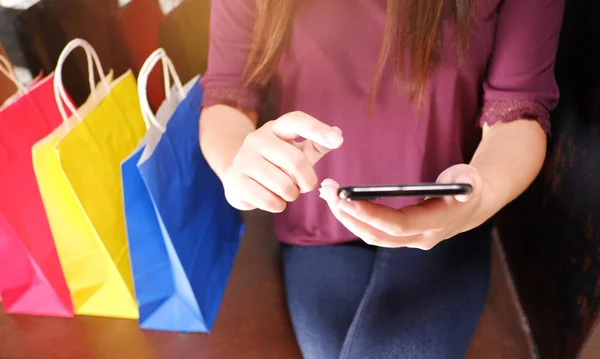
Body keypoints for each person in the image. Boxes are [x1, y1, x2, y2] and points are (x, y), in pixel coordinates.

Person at [199, 0, 564, 357]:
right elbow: (228, 94)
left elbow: (519, 111)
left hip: (448, 223)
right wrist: (236, 166)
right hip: (317, 220)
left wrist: (480, 194)